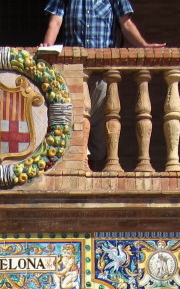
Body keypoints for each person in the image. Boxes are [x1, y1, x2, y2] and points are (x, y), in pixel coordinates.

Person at [41, 0, 164, 166]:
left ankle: (96, 162)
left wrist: (143, 46)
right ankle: (78, 162)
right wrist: (47, 47)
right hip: (73, 72)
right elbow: (55, 21)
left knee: (99, 126)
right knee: (73, 120)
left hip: (102, 72)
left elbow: (125, 24)